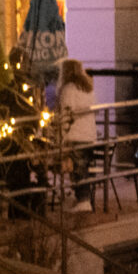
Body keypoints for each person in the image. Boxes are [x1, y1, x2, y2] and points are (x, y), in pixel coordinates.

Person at [54, 59, 97, 209]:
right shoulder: (88, 89)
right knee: (83, 166)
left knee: (78, 168)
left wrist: (61, 137)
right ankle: (84, 198)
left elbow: (65, 115)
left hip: (75, 135)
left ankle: (83, 200)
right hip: (90, 135)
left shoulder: (68, 90)